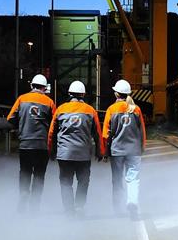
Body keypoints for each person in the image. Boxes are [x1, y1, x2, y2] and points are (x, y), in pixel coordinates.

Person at [48, 81, 104, 215]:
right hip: (83, 154)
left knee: (66, 182)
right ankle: (79, 206)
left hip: (64, 154)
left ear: (69, 93)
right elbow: (97, 133)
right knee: (83, 181)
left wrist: (51, 150)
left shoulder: (60, 109)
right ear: (83, 94)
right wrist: (100, 151)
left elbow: (51, 133)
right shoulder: (90, 111)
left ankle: (69, 210)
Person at [7, 74, 56, 213]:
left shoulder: (21, 99)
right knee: (39, 174)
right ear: (44, 88)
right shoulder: (49, 102)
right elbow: (55, 123)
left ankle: (23, 194)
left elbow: (10, 118)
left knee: (25, 171)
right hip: (42, 145)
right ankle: (35, 205)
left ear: (31, 85)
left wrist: (21, 126)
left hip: (25, 144)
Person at [103, 79, 146, 219]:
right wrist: (142, 147)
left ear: (116, 94)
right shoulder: (136, 109)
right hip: (134, 150)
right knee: (133, 179)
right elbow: (142, 131)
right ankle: (132, 202)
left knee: (117, 180)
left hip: (117, 151)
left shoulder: (111, 109)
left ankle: (118, 209)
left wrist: (104, 151)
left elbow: (106, 134)